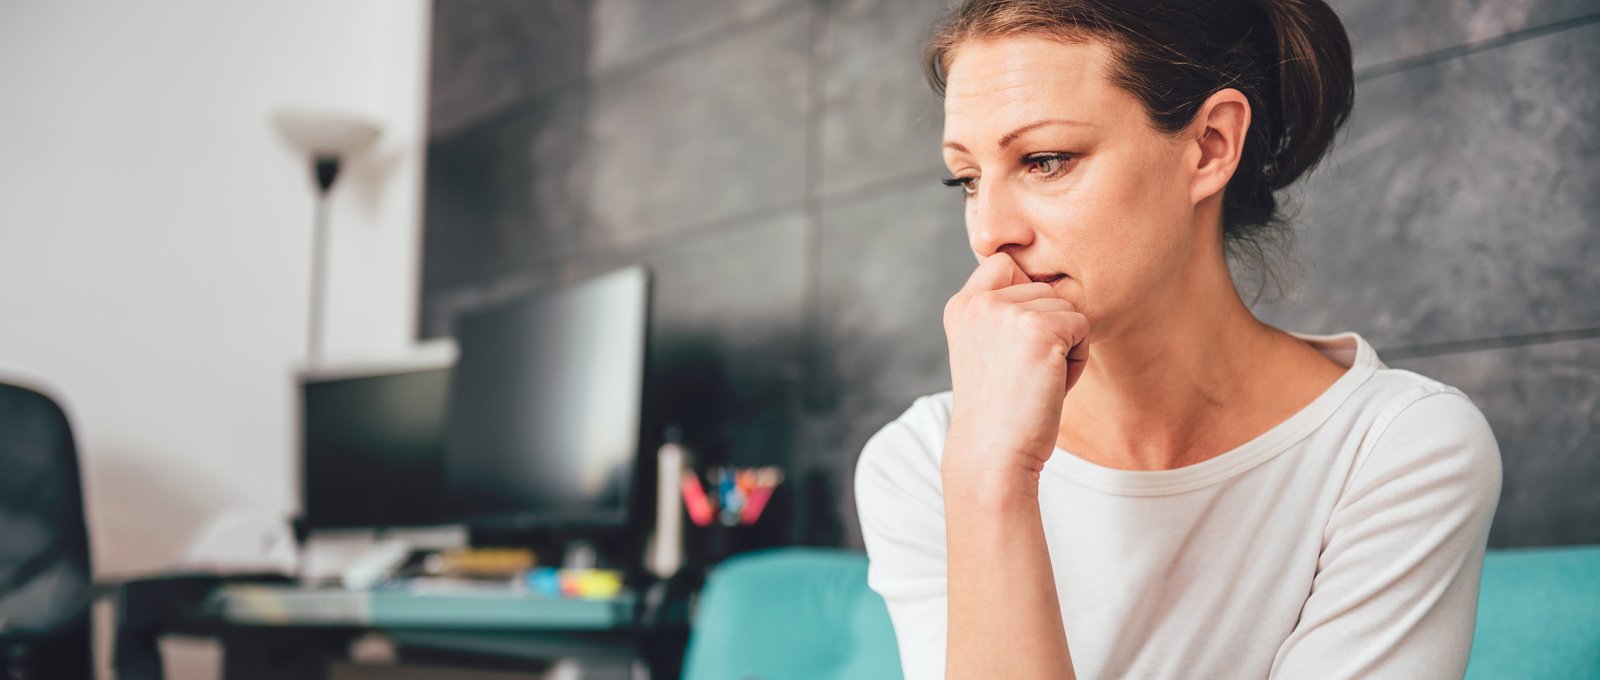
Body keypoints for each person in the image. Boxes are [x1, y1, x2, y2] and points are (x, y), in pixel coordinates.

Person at [853, 1, 1503, 678]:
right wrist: (991, 479)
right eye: (967, 179)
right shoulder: (924, 461)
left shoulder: (1399, 449)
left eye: (1045, 161)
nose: (989, 233)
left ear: (1210, 146)